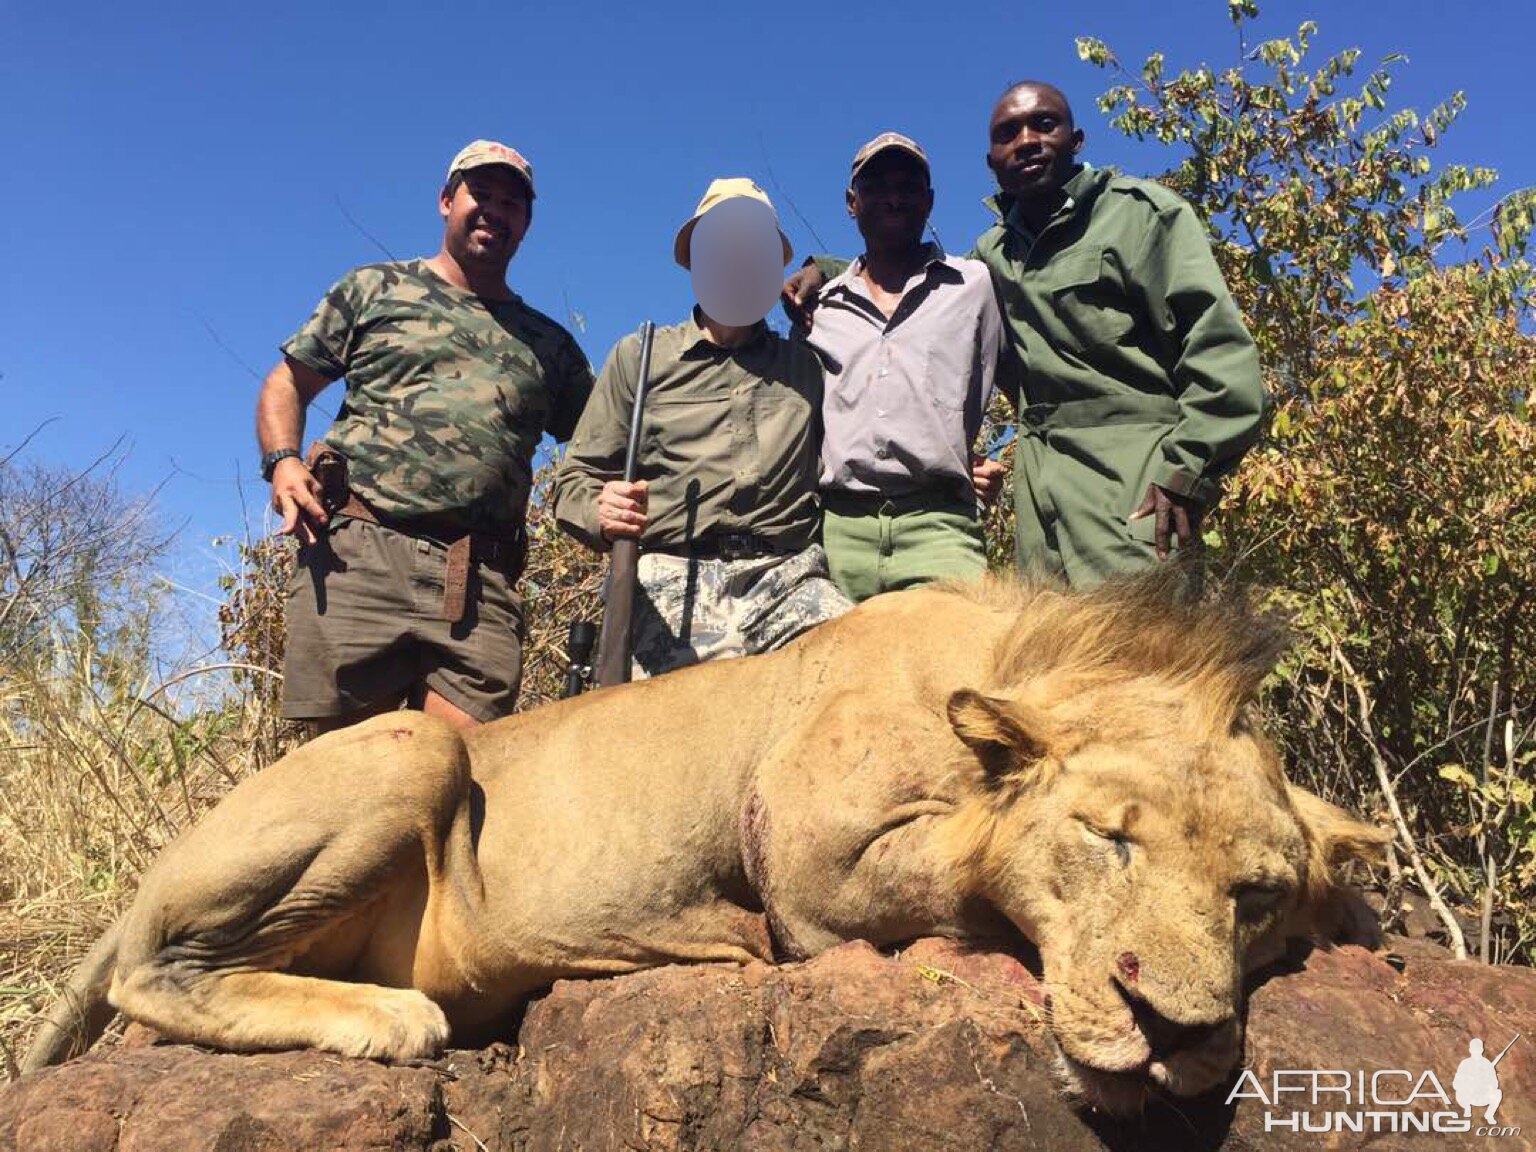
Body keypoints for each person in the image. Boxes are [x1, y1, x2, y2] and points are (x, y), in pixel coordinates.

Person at [786, 82, 1267, 588]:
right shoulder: (992, 256)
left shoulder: (1142, 215)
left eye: (1044, 124)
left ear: (1076, 139)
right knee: (1045, 659)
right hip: (1039, 500)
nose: (1027, 141)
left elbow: (1220, 353)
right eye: (1008, 133)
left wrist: (1186, 475)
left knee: (1144, 656)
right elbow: (905, 288)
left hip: (1133, 481)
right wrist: (825, 272)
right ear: (992, 160)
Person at [255, 140, 593, 730]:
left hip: (480, 577)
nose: (494, 210)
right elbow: (289, 381)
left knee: (465, 777)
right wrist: (283, 461)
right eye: (480, 195)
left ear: (526, 223)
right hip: (358, 556)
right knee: (347, 785)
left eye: (511, 203)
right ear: (445, 201)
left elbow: (600, 443)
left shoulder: (551, 346)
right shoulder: (375, 289)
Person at [551, 178, 851, 678]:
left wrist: (826, 269)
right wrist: (599, 511)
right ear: (696, 262)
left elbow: (884, 278)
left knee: (856, 674)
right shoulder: (640, 358)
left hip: (787, 576)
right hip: (672, 574)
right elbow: (574, 480)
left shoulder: (806, 366)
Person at [800, 132, 1015, 602]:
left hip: (939, 526)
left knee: (961, 667)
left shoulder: (974, 285)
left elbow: (1030, 380)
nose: (893, 198)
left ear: (930, 201)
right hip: (838, 531)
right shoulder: (821, 305)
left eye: (909, 186)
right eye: (877, 186)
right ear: (852, 203)